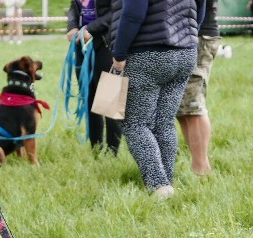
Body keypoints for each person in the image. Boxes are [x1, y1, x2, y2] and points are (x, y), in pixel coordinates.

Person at [110, 0, 201, 198]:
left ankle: (159, 185)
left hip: (147, 52)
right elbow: (200, 11)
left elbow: (134, 14)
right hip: (186, 52)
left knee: (135, 123)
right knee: (164, 122)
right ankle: (167, 182)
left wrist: (119, 52)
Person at [67, 0, 122, 154]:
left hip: (107, 45)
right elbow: (73, 9)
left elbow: (118, 11)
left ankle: (112, 154)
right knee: (89, 101)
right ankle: (96, 150)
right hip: (82, 48)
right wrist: (72, 27)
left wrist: (91, 29)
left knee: (110, 103)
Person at [177, 0, 220, 176]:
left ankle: (202, 169)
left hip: (200, 36)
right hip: (187, 35)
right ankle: (198, 164)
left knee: (193, 104)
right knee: (181, 108)